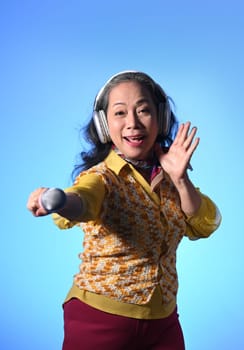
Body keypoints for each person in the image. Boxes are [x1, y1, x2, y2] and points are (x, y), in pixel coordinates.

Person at [27, 71, 221, 350]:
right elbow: (82, 201)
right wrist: (56, 200)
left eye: (143, 110)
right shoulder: (101, 177)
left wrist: (180, 179)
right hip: (99, 319)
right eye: (120, 113)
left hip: (163, 320)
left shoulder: (170, 175)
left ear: (161, 118)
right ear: (105, 125)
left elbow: (206, 224)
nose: (133, 123)